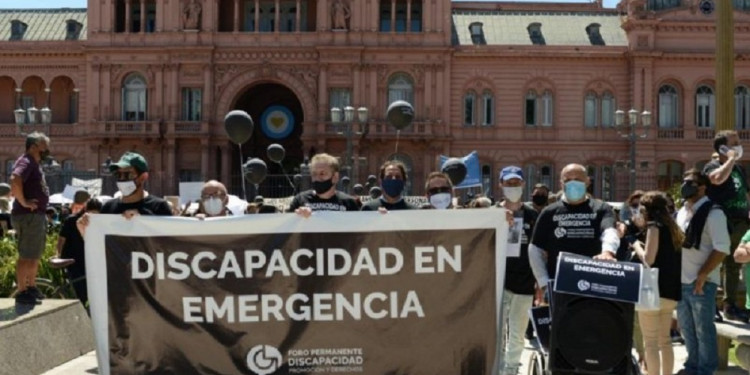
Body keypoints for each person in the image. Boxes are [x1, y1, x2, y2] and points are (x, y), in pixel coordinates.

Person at [529, 163, 620, 294]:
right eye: (567, 180)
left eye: (578, 180)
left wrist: (608, 252)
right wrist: (543, 282)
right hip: (559, 284)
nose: (573, 183)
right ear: (561, 184)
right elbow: (535, 249)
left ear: (588, 182)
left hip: (595, 282)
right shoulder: (549, 212)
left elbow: (609, 231)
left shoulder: (601, 208)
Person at [675, 168, 730, 375]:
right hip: (681, 280)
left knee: (703, 329)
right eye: (684, 181)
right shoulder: (681, 211)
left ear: (703, 187)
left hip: (702, 282)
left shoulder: (714, 212)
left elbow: (722, 248)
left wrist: (703, 275)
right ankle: (692, 365)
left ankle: (706, 369)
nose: (685, 185)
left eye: (690, 182)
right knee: (687, 328)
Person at [630, 191, 683, 375]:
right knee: (665, 340)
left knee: (650, 342)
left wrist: (636, 245)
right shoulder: (673, 228)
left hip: (652, 289)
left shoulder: (654, 227)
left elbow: (649, 259)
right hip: (671, 289)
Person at [703, 130, 750, 322]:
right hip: (722, 221)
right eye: (734, 143)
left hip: (739, 222)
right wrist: (729, 160)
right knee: (715, 264)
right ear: (722, 147)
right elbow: (716, 179)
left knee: (733, 265)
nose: (739, 145)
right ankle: (710, 305)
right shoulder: (713, 165)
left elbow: (745, 193)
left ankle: (730, 305)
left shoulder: (739, 170)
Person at [496, 166, 538, 375]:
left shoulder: (532, 215)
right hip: (497, 281)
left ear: (523, 184)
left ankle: (511, 369)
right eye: (508, 183)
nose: (512, 186)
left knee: (518, 332)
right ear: (500, 185)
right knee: (497, 331)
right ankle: (497, 366)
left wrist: (539, 281)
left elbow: (539, 250)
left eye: (516, 183)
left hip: (524, 282)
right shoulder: (492, 213)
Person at [77, 152, 172, 237]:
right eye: (118, 175)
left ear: (143, 177)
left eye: (128, 174)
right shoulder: (108, 208)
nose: (122, 179)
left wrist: (143, 221)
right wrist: (85, 232)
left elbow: (169, 243)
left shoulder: (159, 207)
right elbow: (101, 246)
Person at [11, 131, 51, 305]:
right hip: (28, 215)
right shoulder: (26, 161)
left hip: (35, 215)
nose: (47, 150)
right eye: (44, 146)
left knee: (34, 254)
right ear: (34, 146)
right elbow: (15, 178)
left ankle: (31, 286)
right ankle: (22, 290)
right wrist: (23, 201)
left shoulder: (34, 164)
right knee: (26, 255)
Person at [57, 197, 102, 311]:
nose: (93, 216)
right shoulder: (72, 220)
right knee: (81, 290)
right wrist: (58, 254)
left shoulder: (97, 222)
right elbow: (61, 239)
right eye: (91, 213)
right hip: (73, 259)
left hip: (87, 258)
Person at [287, 153, 360, 216]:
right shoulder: (300, 200)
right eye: (314, 174)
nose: (317, 178)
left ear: (335, 177)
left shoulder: (349, 203)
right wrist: (298, 216)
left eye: (322, 173)